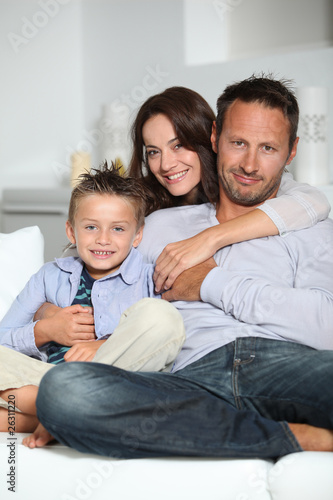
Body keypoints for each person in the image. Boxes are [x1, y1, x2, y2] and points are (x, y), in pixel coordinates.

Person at [34, 75, 333, 458]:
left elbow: (326, 327)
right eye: (238, 143)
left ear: (291, 153)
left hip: (285, 365)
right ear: (214, 138)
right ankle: (291, 438)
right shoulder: (160, 225)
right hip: (189, 377)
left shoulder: (311, 226)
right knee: (65, 392)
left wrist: (209, 282)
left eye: (269, 148)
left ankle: (219, 432)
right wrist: (50, 314)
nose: (250, 164)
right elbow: (77, 275)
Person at [0, 165, 185, 440]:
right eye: (90, 227)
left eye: (118, 229)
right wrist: (45, 330)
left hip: (114, 382)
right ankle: (59, 410)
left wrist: (105, 345)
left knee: (162, 317)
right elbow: (3, 339)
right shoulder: (49, 276)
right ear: (71, 232)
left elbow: (164, 341)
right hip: (46, 379)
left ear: (137, 235)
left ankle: (66, 407)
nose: (103, 239)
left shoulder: (151, 278)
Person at [129, 86, 330, 293]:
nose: (165, 164)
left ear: (208, 139)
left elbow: (314, 201)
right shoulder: (147, 211)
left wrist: (209, 238)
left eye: (178, 145)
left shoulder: (243, 182)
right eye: (153, 152)